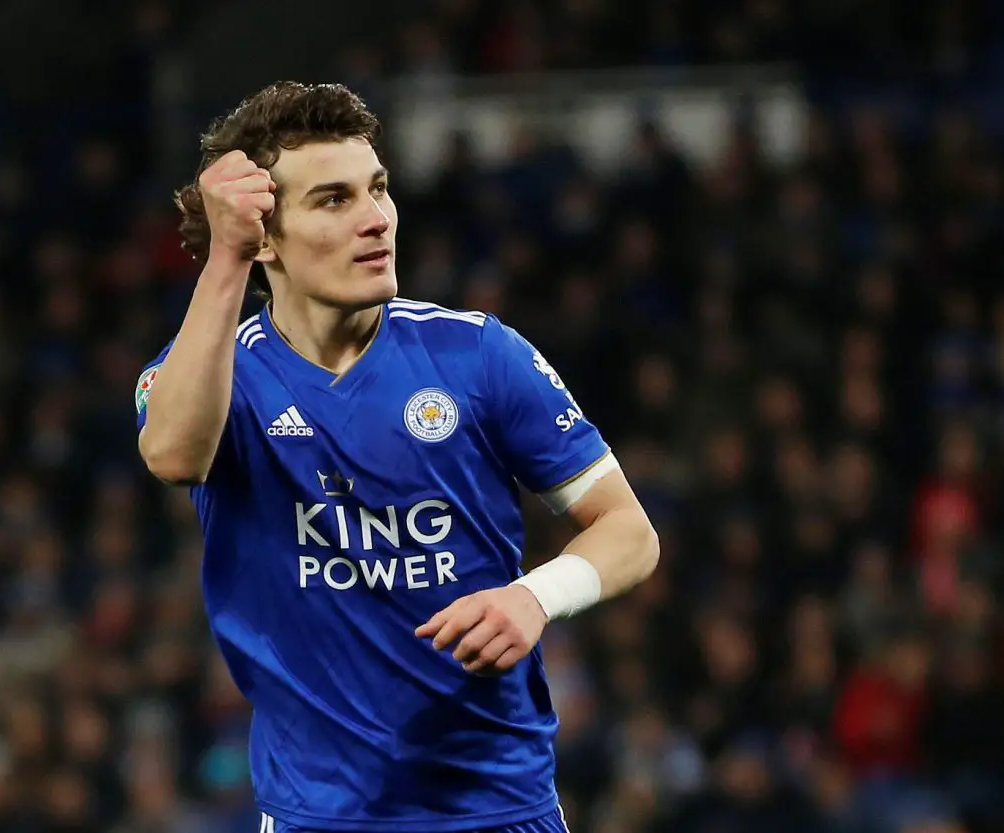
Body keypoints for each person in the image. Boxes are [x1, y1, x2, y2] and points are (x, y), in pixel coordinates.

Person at [135, 81, 660, 833]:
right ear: (266, 239)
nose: (376, 218)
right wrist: (225, 259)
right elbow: (174, 455)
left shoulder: (478, 355)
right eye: (333, 200)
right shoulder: (217, 375)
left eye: (378, 189)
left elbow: (630, 532)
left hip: (499, 808)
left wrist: (535, 597)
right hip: (318, 816)